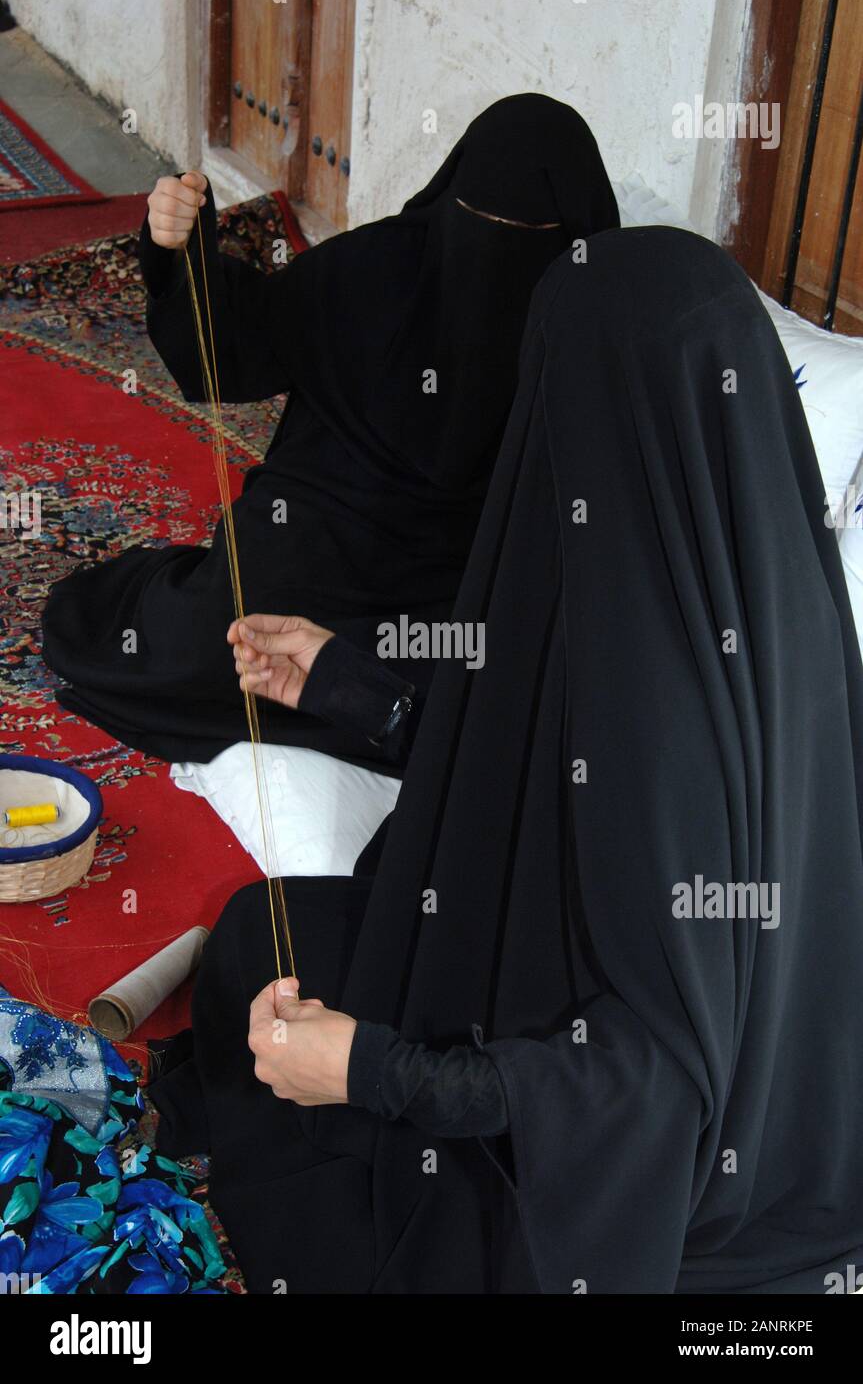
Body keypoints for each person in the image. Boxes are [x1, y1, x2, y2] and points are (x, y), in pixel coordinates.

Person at [151, 225, 863, 1295]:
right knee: (260, 937)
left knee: (362, 1176)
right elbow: (533, 765)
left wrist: (374, 1070)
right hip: (770, 1081)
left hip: (634, 1190)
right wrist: (353, 686)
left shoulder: (654, 693)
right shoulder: (762, 584)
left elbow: (648, 1091)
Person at [41, 94, 619, 774]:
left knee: (476, 702)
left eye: (523, 231)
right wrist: (177, 254)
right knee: (209, 649)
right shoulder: (377, 266)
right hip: (315, 531)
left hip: (459, 574)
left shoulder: (596, 329)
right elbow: (235, 348)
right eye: (477, 221)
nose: (491, 251)